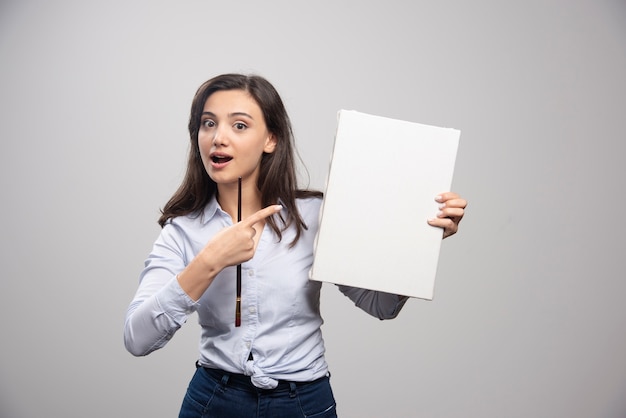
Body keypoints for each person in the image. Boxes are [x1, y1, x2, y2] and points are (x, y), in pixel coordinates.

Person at [124, 73, 467, 418]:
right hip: (215, 401)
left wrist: (419, 241)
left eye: (239, 126)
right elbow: (137, 338)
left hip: (303, 403)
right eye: (208, 123)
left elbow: (381, 305)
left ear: (271, 139)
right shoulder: (181, 230)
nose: (218, 138)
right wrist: (210, 261)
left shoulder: (315, 216)